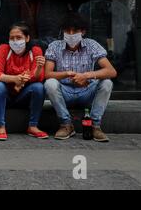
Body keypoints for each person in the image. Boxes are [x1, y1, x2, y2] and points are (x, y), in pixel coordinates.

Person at [44, 13, 117, 142]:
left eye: (75, 30)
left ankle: (95, 126)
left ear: (83, 31)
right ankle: (66, 124)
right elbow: (47, 74)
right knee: (50, 83)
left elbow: (111, 71)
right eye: (67, 30)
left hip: (87, 91)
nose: (71, 34)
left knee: (107, 83)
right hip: (65, 93)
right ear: (63, 31)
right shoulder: (54, 46)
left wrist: (87, 75)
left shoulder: (91, 45)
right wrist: (66, 73)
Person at [0, 22, 48, 141]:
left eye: (19, 37)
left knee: (39, 87)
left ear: (27, 38)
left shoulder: (35, 50)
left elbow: (39, 78)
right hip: (3, 96)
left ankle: (33, 126)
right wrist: (15, 79)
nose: (15, 41)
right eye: (12, 38)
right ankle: (0, 126)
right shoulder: (3, 49)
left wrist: (39, 68)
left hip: (24, 96)